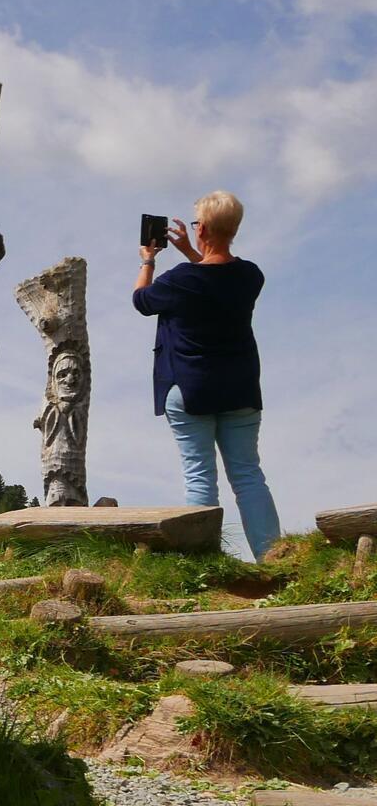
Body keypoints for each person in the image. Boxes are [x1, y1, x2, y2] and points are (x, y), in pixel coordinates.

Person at [132, 190, 279, 560]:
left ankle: (205, 563)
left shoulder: (179, 280)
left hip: (189, 388)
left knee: (199, 476)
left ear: (203, 229)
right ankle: (273, 558)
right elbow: (216, 279)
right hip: (240, 389)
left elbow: (141, 300)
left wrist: (148, 260)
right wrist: (192, 252)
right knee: (248, 476)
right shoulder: (250, 276)